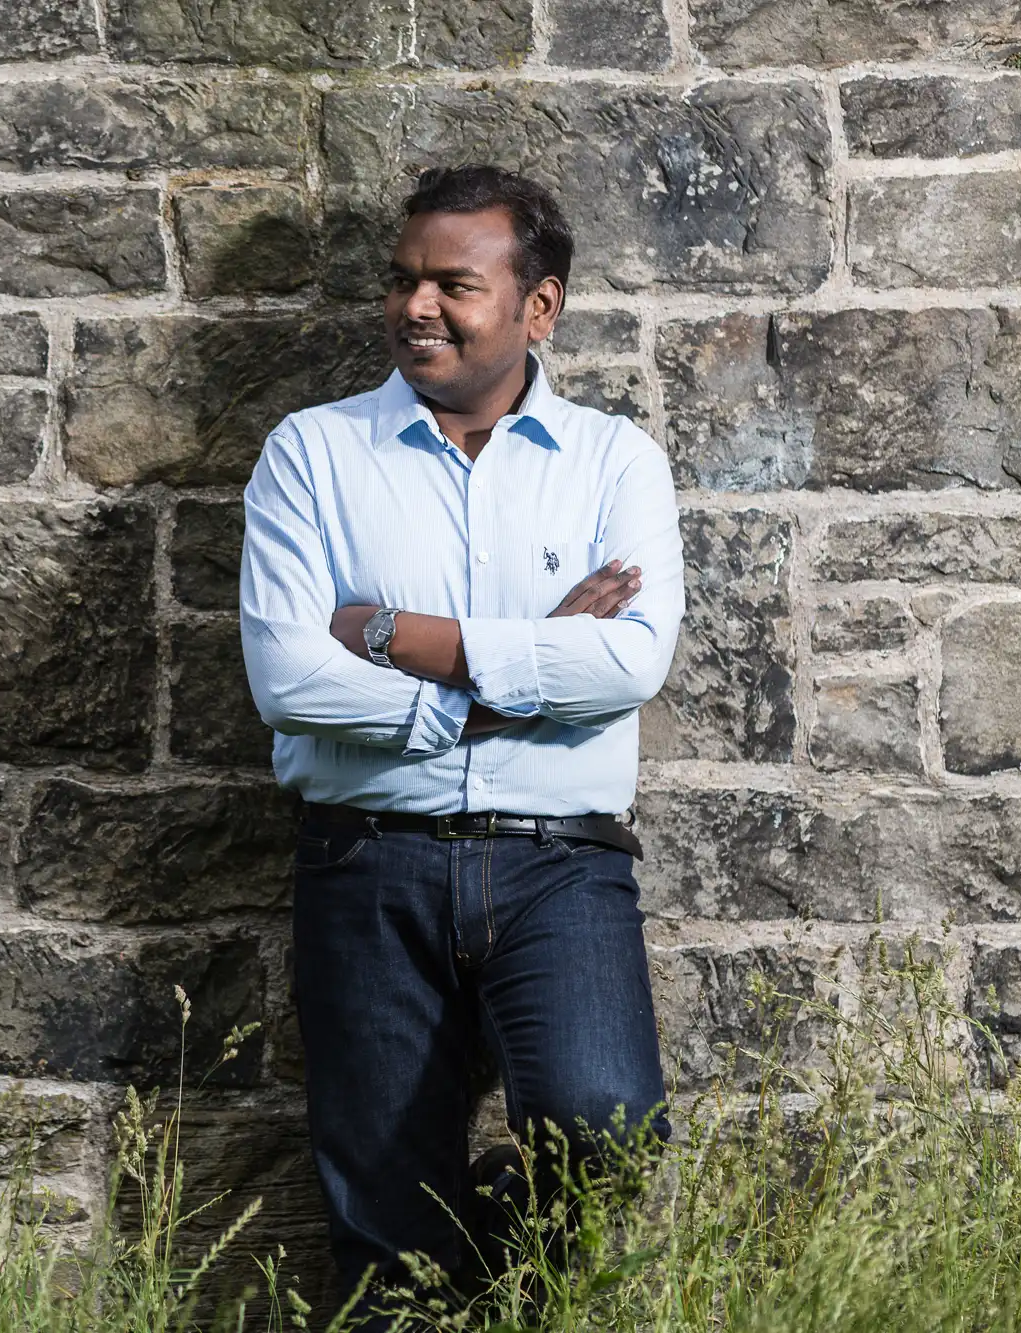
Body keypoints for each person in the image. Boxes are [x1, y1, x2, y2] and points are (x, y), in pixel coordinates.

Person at [237, 164, 684, 1316]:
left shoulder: (610, 462)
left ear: (538, 306)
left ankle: (478, 1265)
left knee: (605, 1125)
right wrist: (519, 670)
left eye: (450, 283)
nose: (413, 307)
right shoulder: (313, 454)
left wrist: (392, 635)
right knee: (381, 1215)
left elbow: (629, 660)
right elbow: (289, 677)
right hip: (364, 857)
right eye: (400, 282)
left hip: (561, 865)